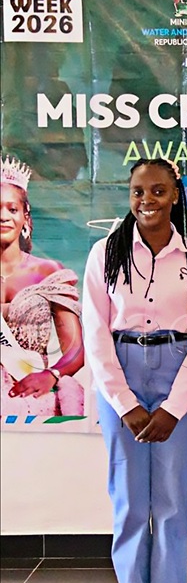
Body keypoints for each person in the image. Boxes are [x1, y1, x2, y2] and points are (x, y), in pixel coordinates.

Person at [82, 157, 187, 583]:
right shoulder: (104, 254)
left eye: (158, 191)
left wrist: (173, 407)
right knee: (130, 508)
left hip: (176, 369)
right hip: (120, 368)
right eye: (139, 192)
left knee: (172, 506)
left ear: (175, 196)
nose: (147, 201)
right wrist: (125, 403)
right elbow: (95, 336)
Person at [1, 154, 84, 416]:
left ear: (25, 217)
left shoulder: (48, 272)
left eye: (12, 209)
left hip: (32, 390)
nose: (3, 217)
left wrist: (52, 374)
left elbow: (75, 350)